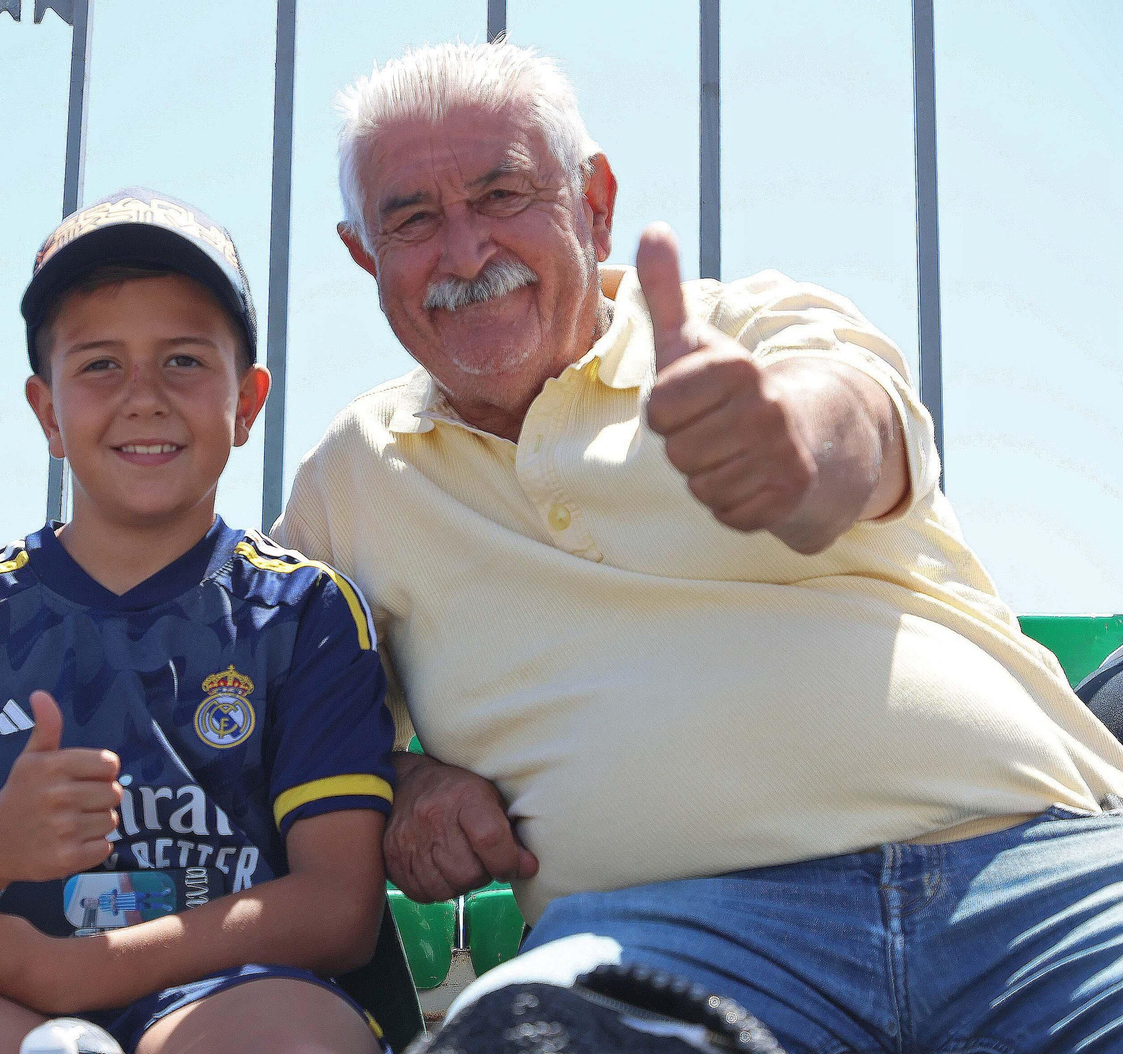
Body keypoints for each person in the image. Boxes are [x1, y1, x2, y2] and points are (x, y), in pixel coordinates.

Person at [275, 40, 1123, 1053]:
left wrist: (789, 443)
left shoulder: (747, 329)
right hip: (662, 938)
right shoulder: (352, 477)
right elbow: (254, 715)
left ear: (594, 202)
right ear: (363, 254)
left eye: (502, 194)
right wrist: (402, 784)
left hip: (1032, 868)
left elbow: (855, 424)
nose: (463, 253)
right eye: (413, 218)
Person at [0, 188, 396, 1054]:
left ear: (247, 403)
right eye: (100, 365)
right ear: (47, 412)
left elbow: (339, 910)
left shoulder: (306, 611)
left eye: (183, 360)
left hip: (230, 992)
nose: (144, 397)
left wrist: (81, 971)